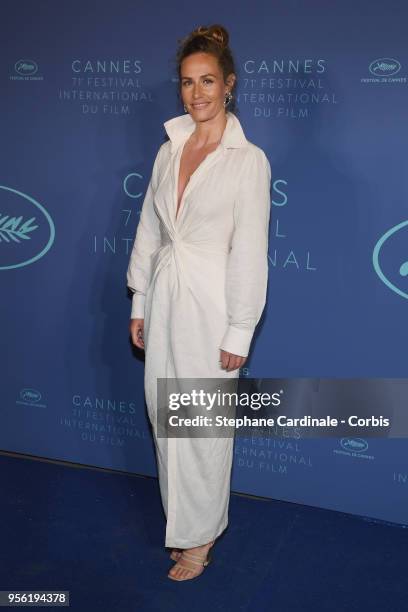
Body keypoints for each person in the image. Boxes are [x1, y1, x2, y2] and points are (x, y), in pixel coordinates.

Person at [126, 23, 272, 581]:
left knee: (203, 426)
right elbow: (149, 229)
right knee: (168, 419)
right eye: (188, 83)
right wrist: (139, 297)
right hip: (165, 298)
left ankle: (201, 538)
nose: (197, 93)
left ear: (228, 85)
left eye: (208, 81)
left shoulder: (247, 160)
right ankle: (185, 525)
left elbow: (250, 252)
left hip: (212, 307)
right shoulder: (169, 149)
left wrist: (239, 330)